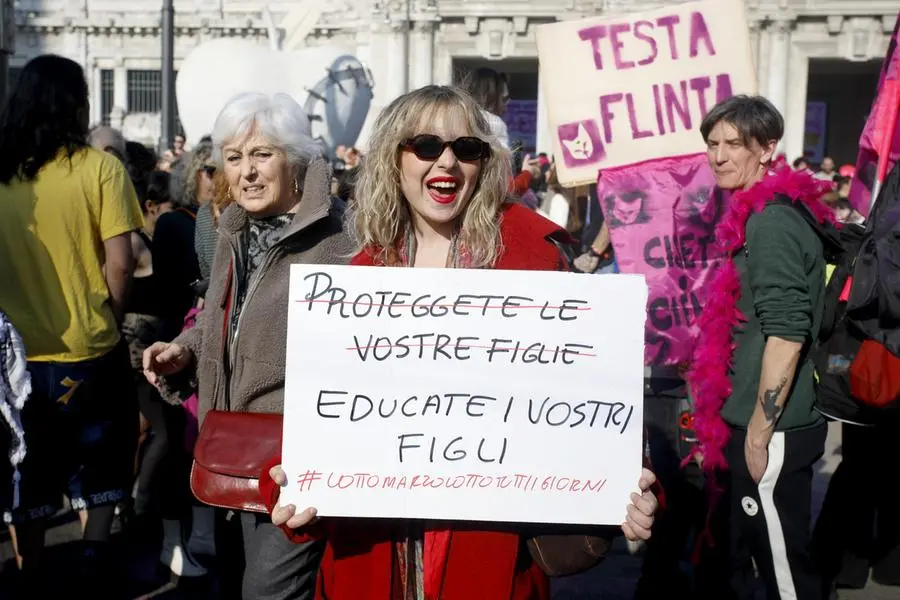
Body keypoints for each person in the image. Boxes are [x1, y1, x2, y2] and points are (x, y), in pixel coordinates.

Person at [258, 85, 658, 600]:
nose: (446, 161)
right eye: (426, 145)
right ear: (394, 159)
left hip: (488, 558)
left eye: (466, 149)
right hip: (372, 559)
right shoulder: (353, 285)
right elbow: (319, 419)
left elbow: (599, 405)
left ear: (483, 164)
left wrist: (633, 486)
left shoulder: (538, 268)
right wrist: (290, 487)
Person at [142, 91, 354, 600]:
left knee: (267, 590)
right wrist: (185, 348)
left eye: (262, 154)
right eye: (234, 158)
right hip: (238, 449)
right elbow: (222, 319)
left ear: (295, 158)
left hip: (302, 457)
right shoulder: (233, 228)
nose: (247, 172)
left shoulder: (342, 237)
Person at [0, 54, 143, 593]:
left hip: (15, 356)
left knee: (26, 464)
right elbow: (121, 263)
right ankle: (94, 552)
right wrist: (112, 313)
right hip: (91, 345)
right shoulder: (101, 169)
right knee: (102, 455)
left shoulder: (3, 172)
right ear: (78, 104)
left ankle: (29, 569)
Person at [688, 95, 833, 600]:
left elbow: (788, 334)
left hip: (772, 429)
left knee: (784, 573)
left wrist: (757, 435)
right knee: (737, 558)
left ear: (768, 148)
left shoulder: (771, 221)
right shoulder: (759, 213)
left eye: (733, 144)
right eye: (712, 144)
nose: (719, 156)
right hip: (750, 422)